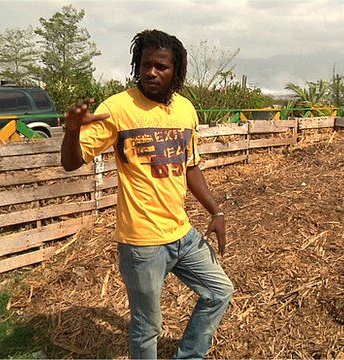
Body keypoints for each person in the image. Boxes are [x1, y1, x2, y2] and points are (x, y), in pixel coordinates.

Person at [60, 29, 234, 359]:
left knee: (219, 291)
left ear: (177, 71)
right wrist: (71, 131)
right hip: (142, 243)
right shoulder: (117, 108)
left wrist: (216, 211)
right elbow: (71, 163)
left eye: (161, 67)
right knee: (147, 326)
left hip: (182, 233)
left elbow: (190, 167)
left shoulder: (185, 110)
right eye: (145, 64)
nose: (151, 72)